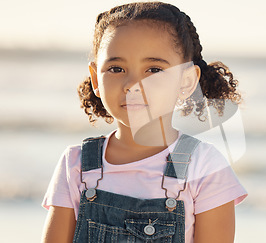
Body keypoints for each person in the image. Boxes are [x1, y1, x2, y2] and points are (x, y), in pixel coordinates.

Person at [40, 2, 248, 243]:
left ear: (186, 80)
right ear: (96, 79)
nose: (133, 84)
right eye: (116, 68)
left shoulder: (206, 167)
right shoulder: (75, 165)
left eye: (154, 69)